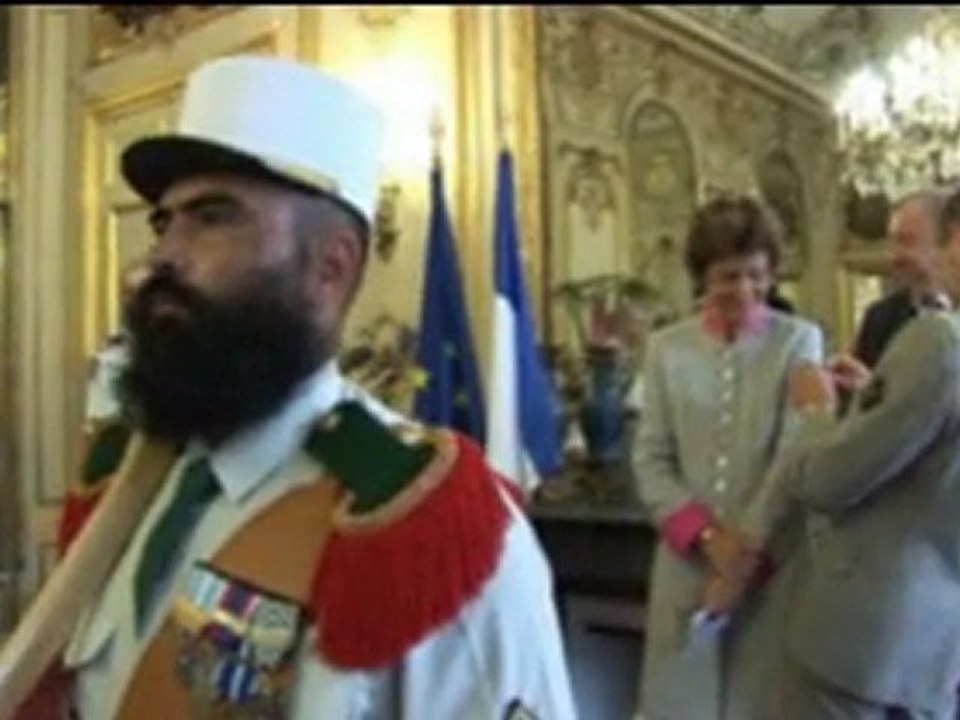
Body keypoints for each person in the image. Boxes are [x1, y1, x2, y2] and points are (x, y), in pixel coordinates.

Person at [27, 56, 576, 719]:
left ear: (330, 266)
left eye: (213, 216)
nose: (161, 258)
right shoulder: (120, 482)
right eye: (163, 222)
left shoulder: (424, 526)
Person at [770, 184, 960, 719]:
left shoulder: (939, 342)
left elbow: (825, 482)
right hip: (936, 652)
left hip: (865, 646)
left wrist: (814, 412)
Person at [633, 195, 823, 719]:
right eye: (727, 277)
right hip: (685, 567)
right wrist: (710, 541)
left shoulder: (799, 342)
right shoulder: (666, 349)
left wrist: (743, 556)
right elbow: (650, 459)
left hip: (768, 573)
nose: (743, 290)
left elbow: (795, 450)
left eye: (755, 275)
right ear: (702, 278)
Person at [851, 188, 951, 369]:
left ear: (945, 242)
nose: (894, 255)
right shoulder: (879, 319)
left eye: (907, 241)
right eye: (893, 241)